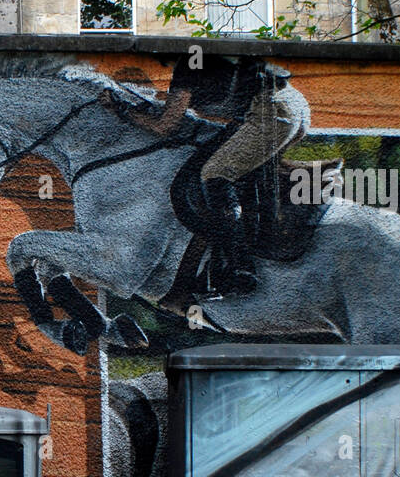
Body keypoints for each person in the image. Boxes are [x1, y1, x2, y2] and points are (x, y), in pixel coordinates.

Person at [109, 54, 311, 298]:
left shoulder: (185, 67)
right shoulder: (206, 61)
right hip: (293, 105)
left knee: (215, 172)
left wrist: (123, 111)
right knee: (237, 170)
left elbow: (166, 127)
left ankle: (241, 267)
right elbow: (214, 107)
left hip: (272, 112)